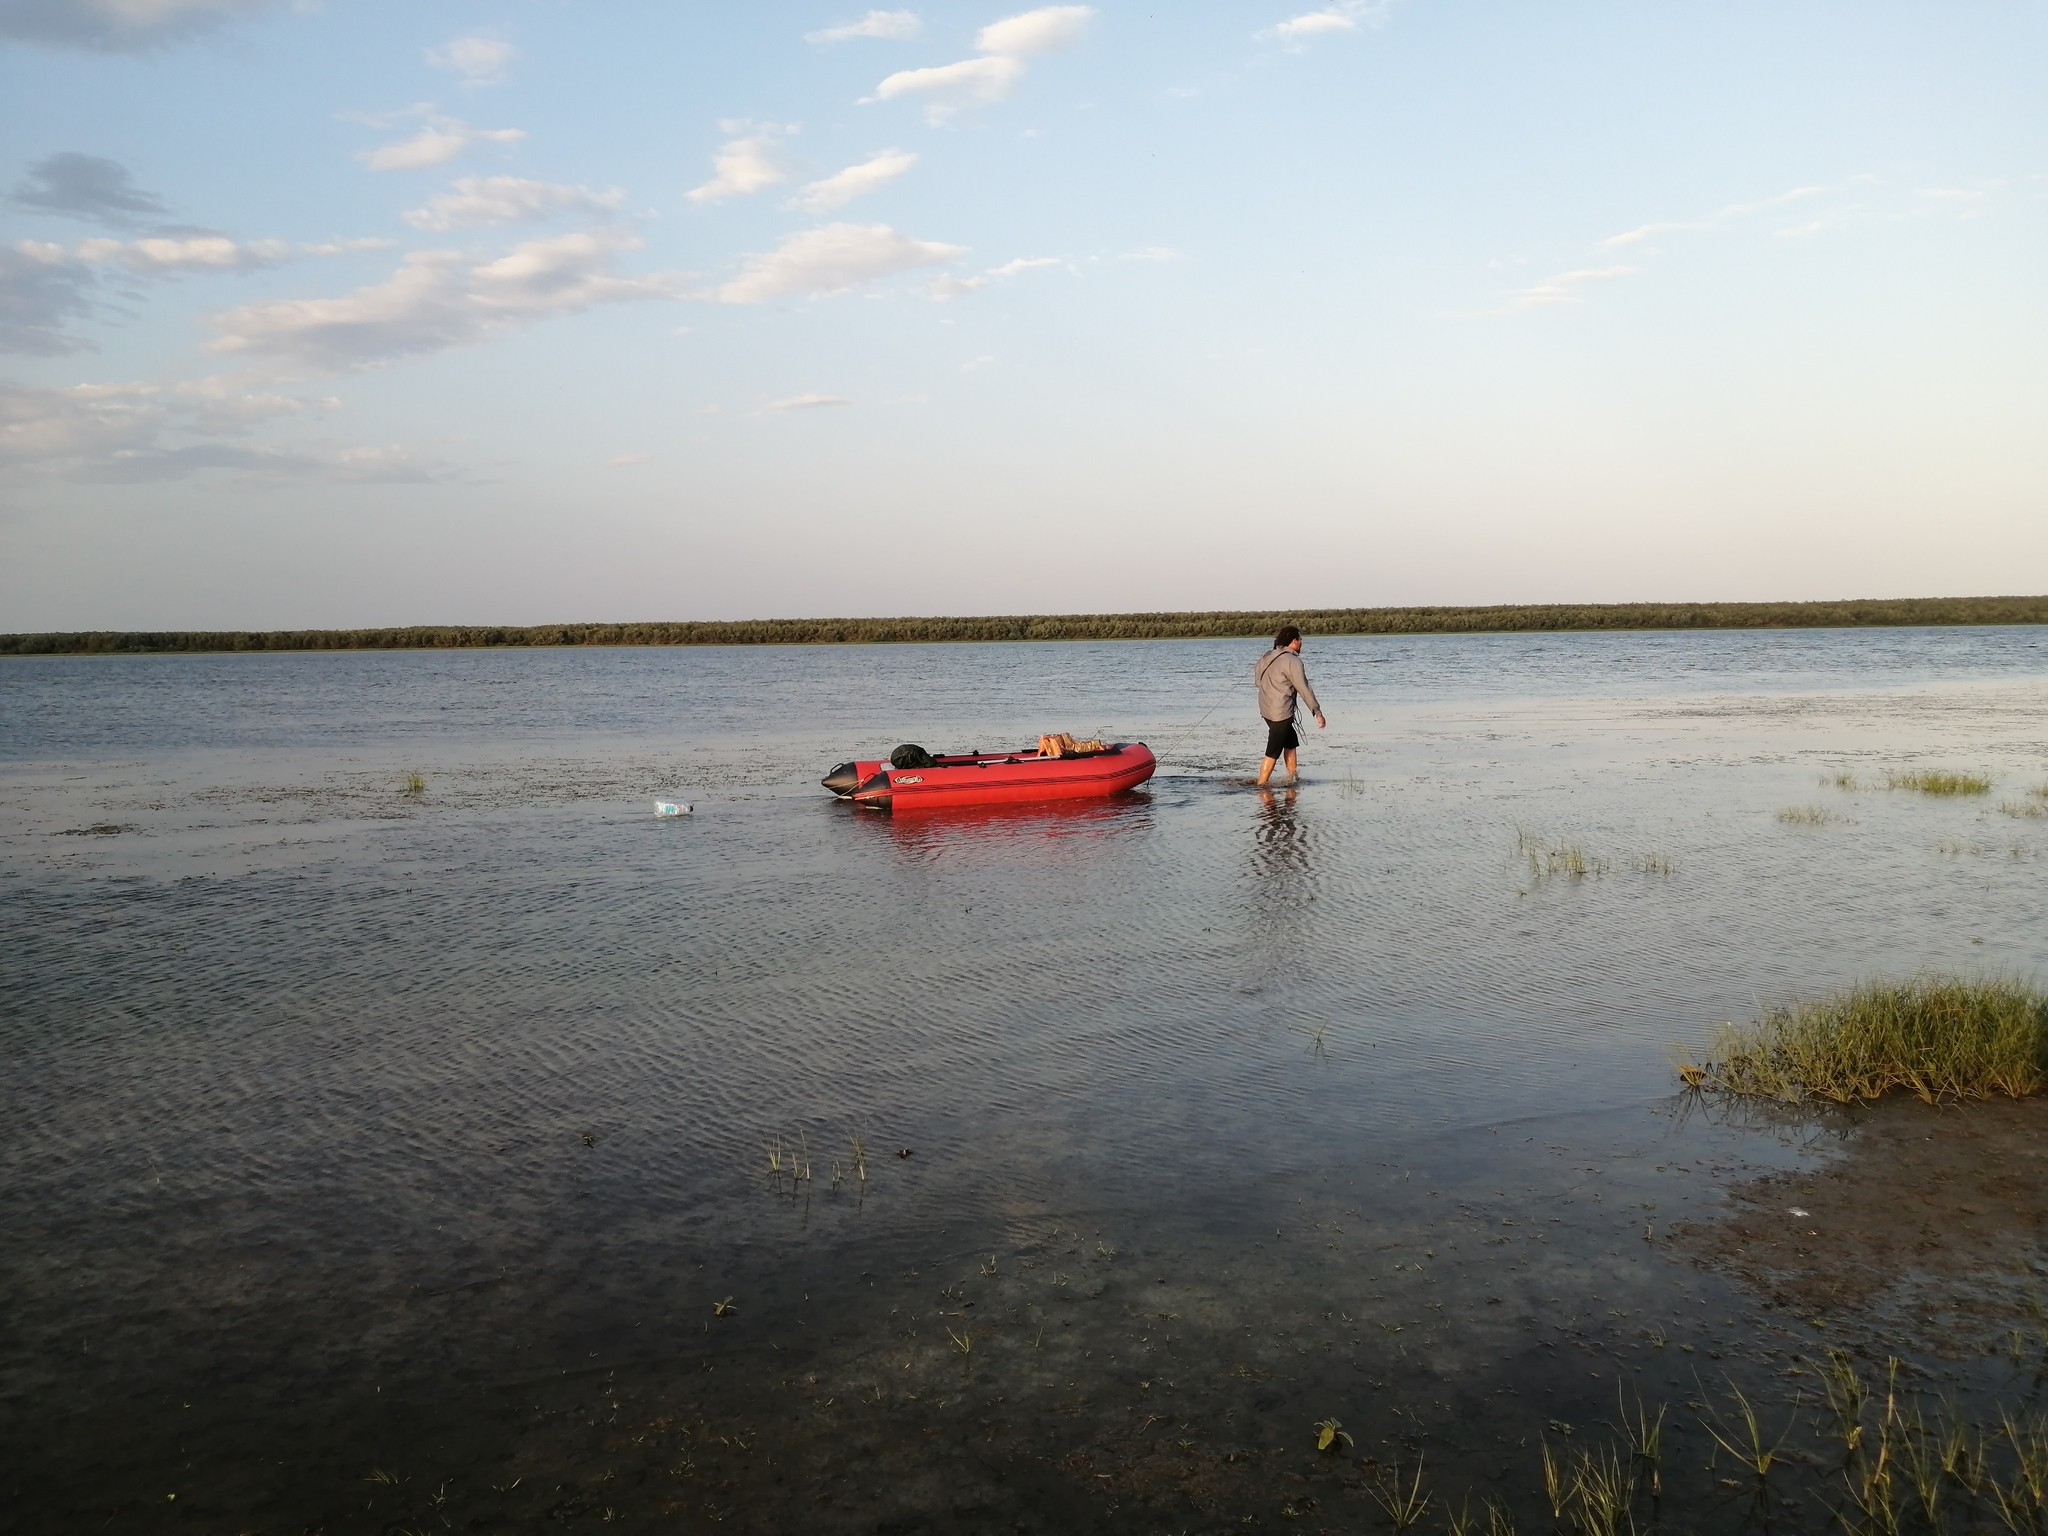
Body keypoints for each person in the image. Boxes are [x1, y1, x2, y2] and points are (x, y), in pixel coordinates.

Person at [1253, 624, 1325, 786]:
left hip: (1266, 710)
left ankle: (1292, 779)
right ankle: (1261, 785)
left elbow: (1258, 682)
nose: (1301, 643)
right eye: (1300, 640)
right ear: (1293, 641)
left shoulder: (1267, 656)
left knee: (1291, 742)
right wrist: (1317, 712)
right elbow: (1304, 688)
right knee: (1273, 751)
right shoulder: (1293, 661)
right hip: (1281, 712)